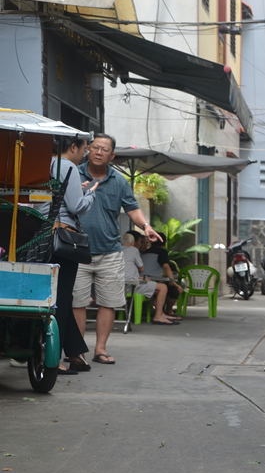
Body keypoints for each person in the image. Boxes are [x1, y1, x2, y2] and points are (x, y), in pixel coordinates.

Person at [72, 134, 162, 365]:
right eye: (95, 147)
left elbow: (132, 208)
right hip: (77, 249)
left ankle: (100, 349)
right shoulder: (73, 174)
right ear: (88, 150)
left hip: (110, 252)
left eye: (105, 150)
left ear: (112, 156)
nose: (99, 152)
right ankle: (78, 350)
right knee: (77, 302)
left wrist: (146, 227)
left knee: (108, 302)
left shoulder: (119, 181)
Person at [49, 137, 96, 375]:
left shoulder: (46, 163)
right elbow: (77, 206)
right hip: (64, 240)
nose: (86, 154)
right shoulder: (67, 166)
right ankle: (54, 357)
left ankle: (75, 351)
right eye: (85, 149)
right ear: (73, 146)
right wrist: (91, 195)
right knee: (60, 298)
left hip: (43, 237)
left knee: (59, 297)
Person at [121, 233, 178, 326]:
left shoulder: (116, 251)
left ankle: (160, 313)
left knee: (154, 287)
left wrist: (141, 276)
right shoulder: (134, 250)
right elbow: (141, 268)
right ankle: (158, 315)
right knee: (163, 287)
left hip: (118, 286)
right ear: (133, 242)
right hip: (131, 286)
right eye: (140, 242)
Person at [137, 232, 183, 318]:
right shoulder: (162, 252)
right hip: (154, 281)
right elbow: (166, 267)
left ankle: (158, 310)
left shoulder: (145, 252)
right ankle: (168, 310)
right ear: (164, 244)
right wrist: (172, 281)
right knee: (175, 289)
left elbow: (152, 267)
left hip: (142, 280)